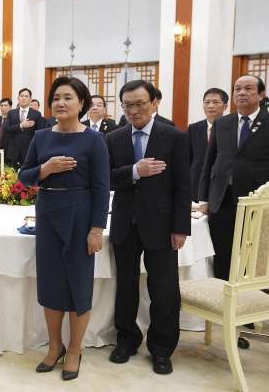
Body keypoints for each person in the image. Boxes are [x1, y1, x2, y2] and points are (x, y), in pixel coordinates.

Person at [18, 76, 109, 381]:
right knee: (51, 283)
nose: (60, 103)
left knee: (78, 284)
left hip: (81, 216)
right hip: (47, 215)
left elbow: (101, 187)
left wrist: (96, 230)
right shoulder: (42, 137)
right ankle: (54, 345)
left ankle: (74, 349)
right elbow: (24, 177)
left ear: (82, 103)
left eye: (68, 97)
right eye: (56, 97)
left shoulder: (94, 139)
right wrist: (46, 169)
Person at [105, 79, 191, 375]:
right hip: (125, 223)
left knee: (164, 290)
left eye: (140, 103)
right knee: (125, 287)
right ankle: (126, 340)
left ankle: (161, 348)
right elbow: (105, 178)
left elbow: (182, 186)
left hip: (162, 224)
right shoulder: (114, 138)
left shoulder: (175, 137)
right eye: (127, 105)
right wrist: (134, 171)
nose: (133, 110)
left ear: (155, 103)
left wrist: (180, 228)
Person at [199, 75, 269, 281]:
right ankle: (222, 293)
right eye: (237, 89)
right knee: (221, 250)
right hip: (222, 197)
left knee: (256, 252)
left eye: (248, 88)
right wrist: (203, 198)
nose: (241, 93)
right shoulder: (222, 123)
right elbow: (209, 162)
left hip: (257, 199)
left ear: (261, 94)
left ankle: (257, 298)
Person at [186, 88, 228, 202]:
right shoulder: (193, 128)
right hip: (196, 184)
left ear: (225, 106)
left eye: (215, 102)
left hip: (221, 185)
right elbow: (187, 159)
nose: (210, 106)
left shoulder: (231, 129)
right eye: (206, 102)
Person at [4, 88, 42, 169]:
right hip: (14, 150)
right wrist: (21, 125)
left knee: (28, 176)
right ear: (18, 98)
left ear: (30, 99)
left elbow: (40, 133)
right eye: (21, 96)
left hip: (30, 150)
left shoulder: (36, 114)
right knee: (14, 177)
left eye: (26, 96)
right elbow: (6, 129)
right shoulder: (11, 113)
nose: (24, 98)